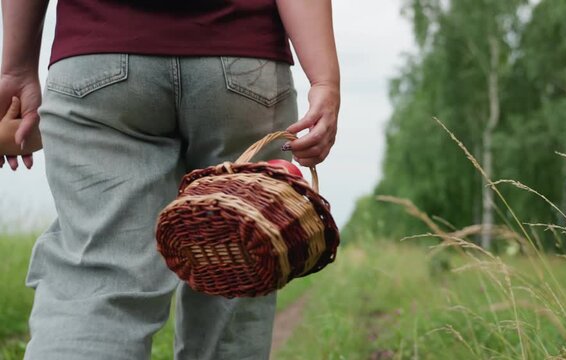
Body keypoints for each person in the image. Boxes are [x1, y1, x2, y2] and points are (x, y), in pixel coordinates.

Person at [0, 1, 340, 359]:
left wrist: (16, 67)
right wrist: (324, 80)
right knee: (238, 260)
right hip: (241, 63)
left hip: (99, 56)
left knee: (96, 280)